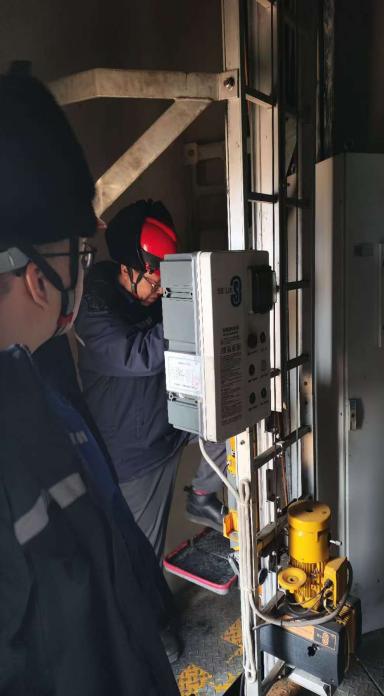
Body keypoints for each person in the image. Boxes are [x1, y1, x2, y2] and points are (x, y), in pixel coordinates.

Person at [0, 63, 179, 694]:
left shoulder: (34, 389)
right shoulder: (29, 411)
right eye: (79, 251)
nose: (84, 266)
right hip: (135, 456)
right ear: (37, 277)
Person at [75, 200, 227, 562]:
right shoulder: (93, 309)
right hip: (137, 455)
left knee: (233, 412)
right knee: (141, 561)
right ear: (127, 270)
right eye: (156, 283)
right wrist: (198, 318)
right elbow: (139, 355)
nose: (161, 290)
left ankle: (202, 496)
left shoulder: (149, 293)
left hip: (171, 421)